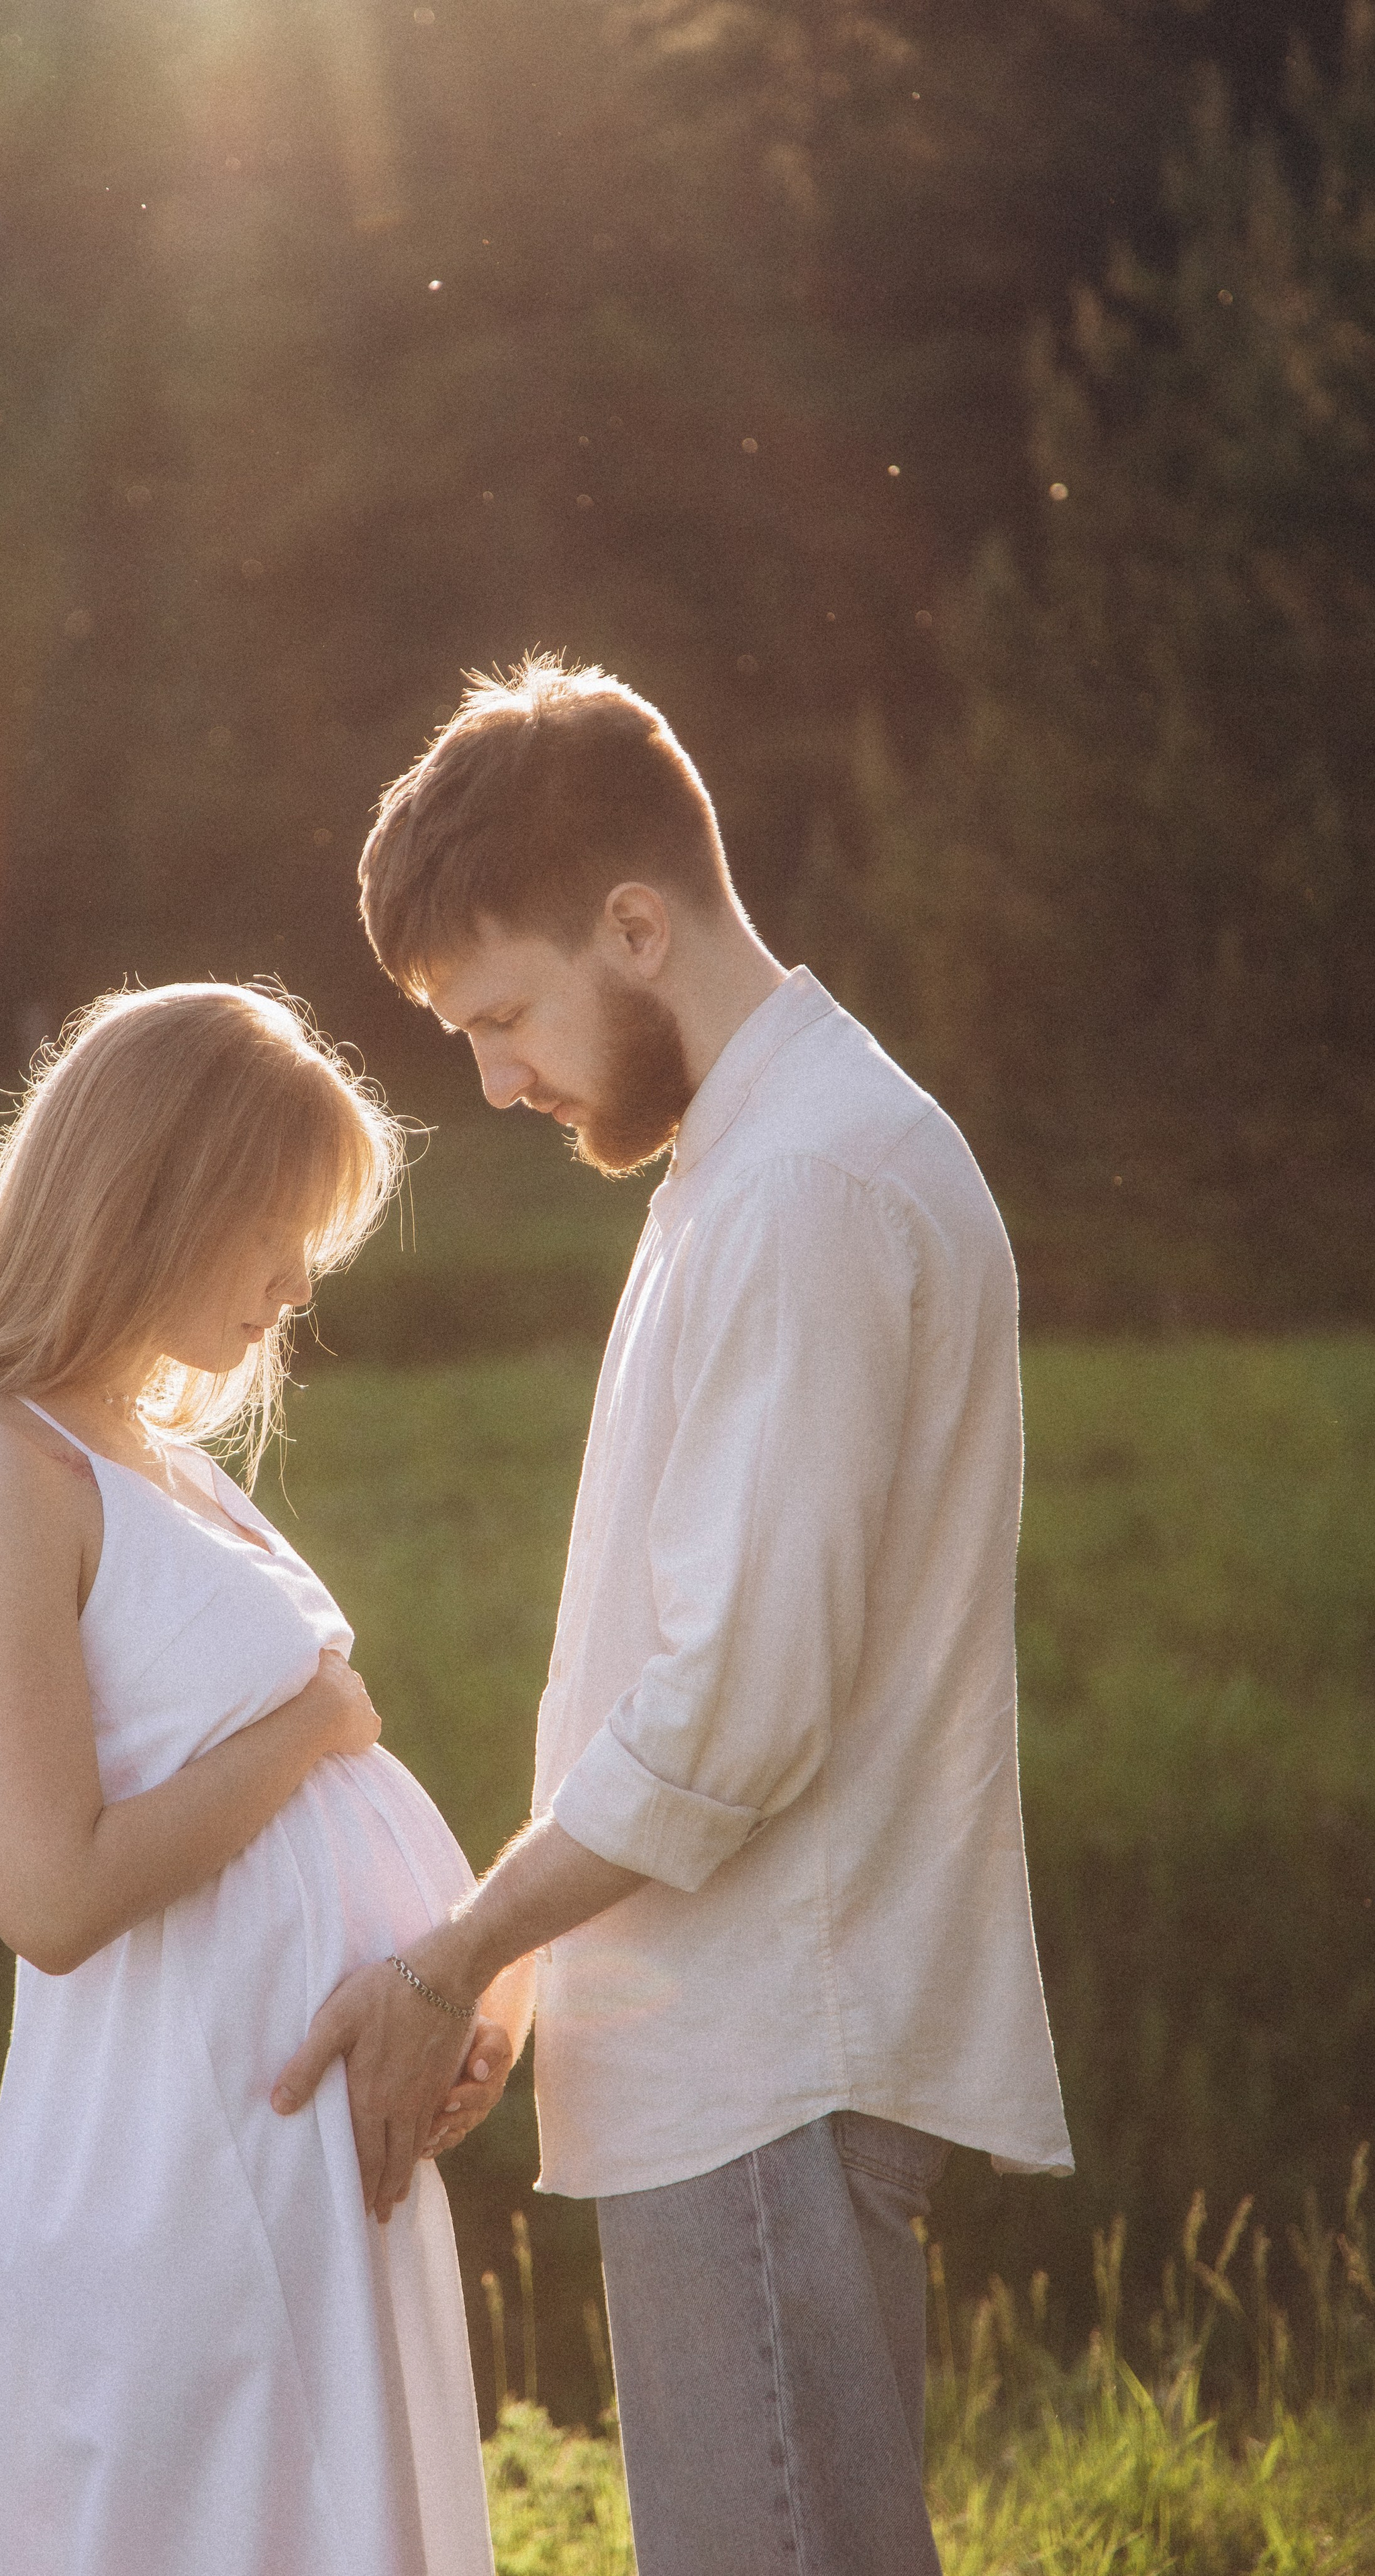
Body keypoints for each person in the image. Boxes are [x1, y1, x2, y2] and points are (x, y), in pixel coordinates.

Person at [274, 658, 1074, 2576]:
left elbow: (737, 1714)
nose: (496, 1079)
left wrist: (458, 1954)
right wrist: (547, 1970)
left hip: (771, 2071)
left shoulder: (806, 1188)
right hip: (726, 2049)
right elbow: (683, 1677)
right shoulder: (747, 1159)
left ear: (639, 926)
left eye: (507, 1014)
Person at [0, 982, 527, 2576]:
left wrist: (471, 1981)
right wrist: (311, 1729)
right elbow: (48, 1896)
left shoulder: (158, 1459)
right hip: (178, 2179)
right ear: (155, 1192)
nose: (293, 1280)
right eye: (272, 1225)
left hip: (311, 2167)